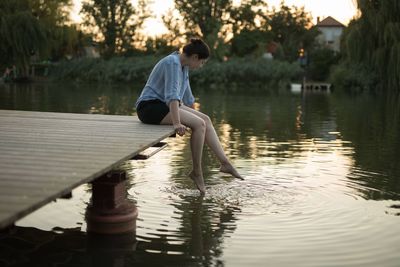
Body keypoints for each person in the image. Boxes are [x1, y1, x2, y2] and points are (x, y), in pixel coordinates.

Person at [135, 38, 243, 194]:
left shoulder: (182, 65)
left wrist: (194, 114)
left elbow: (187, 97)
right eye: (202, 63)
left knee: (205, 120)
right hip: (149, 108)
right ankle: (197, 172)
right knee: (198, 125)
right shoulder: (173, 63)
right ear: (195, 57)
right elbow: (172, 96)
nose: (200, 66)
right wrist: (177, 123)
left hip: (163, 106)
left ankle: (225, 163)